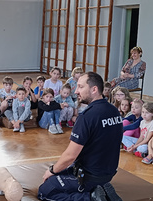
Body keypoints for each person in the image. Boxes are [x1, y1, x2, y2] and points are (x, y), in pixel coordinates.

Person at [38, 72, 123, 201]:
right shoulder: (114, 111)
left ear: (94, 89)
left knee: (45, 191)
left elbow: (70, 156)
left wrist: (51, 171)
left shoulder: (86, 117)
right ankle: (101, 187)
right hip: (108, 173)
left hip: (89, 176)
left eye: (80, 87)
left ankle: (90, 196)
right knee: (64, 170)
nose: (76, 91)